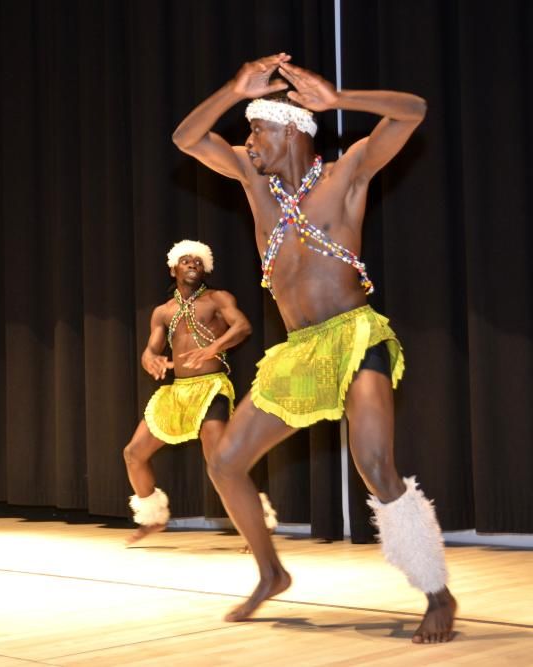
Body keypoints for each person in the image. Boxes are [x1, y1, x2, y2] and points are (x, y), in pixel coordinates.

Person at [171, 53, 456, 643]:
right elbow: (186, 137)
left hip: (354, 336)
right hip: (299, 350)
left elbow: (414, 112)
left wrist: (339, 99)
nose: (248, 143)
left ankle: (437, 593)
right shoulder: (256, 184)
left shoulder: (346, 175)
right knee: (224, 461)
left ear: (292, 129)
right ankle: (271, 572)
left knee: (376, 464)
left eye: (257, 129)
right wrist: (233, 90)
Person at [123, 240, 253, 544]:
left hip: (211, 388)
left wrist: (213, 348)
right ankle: (153, 517)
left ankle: (252, 525)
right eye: (185, 260)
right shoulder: (163, 312)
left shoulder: (218, 299)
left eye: (198, 260)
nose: (192, 263)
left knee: (220, 463)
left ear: (205, 268)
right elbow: (150, 350)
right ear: (173, 269)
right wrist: (150, 359)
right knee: (133, 453)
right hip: (178, 392)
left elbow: (243, 326)